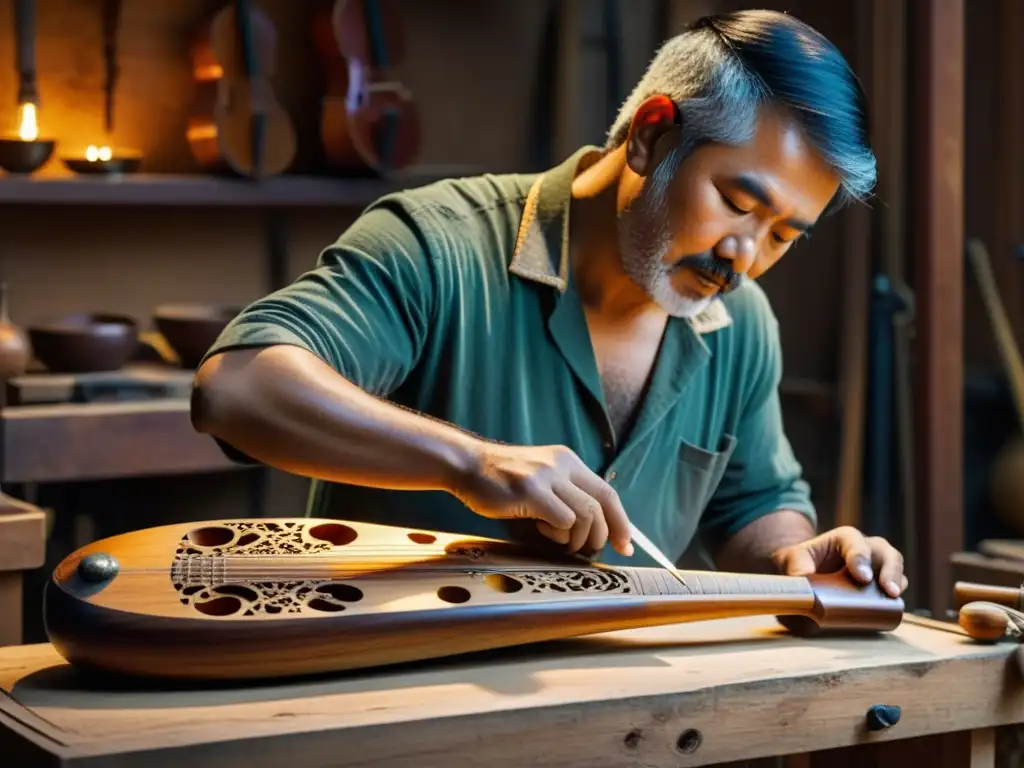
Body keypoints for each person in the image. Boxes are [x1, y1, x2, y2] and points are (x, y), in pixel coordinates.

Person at [191, 10, 907, 598]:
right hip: (395, 701)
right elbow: (238, 389)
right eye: (737, 203)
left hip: (620, 714)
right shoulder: (440, 246)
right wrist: (469, 463)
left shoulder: (740, 323)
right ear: (652, 134)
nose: (745, 256)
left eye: (783, 234)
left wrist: (796, 558)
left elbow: (752, 507)